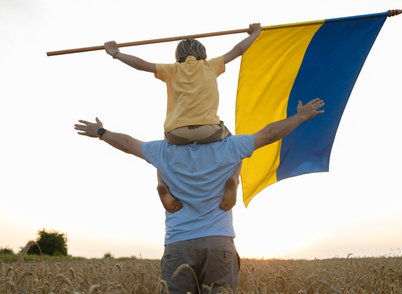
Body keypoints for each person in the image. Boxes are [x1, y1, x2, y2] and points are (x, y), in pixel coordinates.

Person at [74, 97, 325, 293]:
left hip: (179, 241)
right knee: (236, 161)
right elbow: (269, 133)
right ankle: (232, 180)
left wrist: (101, 132)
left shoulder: (164, 149)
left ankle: (165, 188)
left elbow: (128, 143)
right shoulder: (229, 145)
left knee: (163, 170)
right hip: (219, 241)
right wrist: (300, 117)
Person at [103, 23, 262, 214]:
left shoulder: (170, 70)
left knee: (161, 153)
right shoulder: (211, 66)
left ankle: (163, 186)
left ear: (178, 55)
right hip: (209, 130)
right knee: (235, 146)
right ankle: (234, 179)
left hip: (175, 132)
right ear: (202, 53)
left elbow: (140, 65)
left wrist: (115, 53)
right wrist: (255, 33)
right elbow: (238, 50)